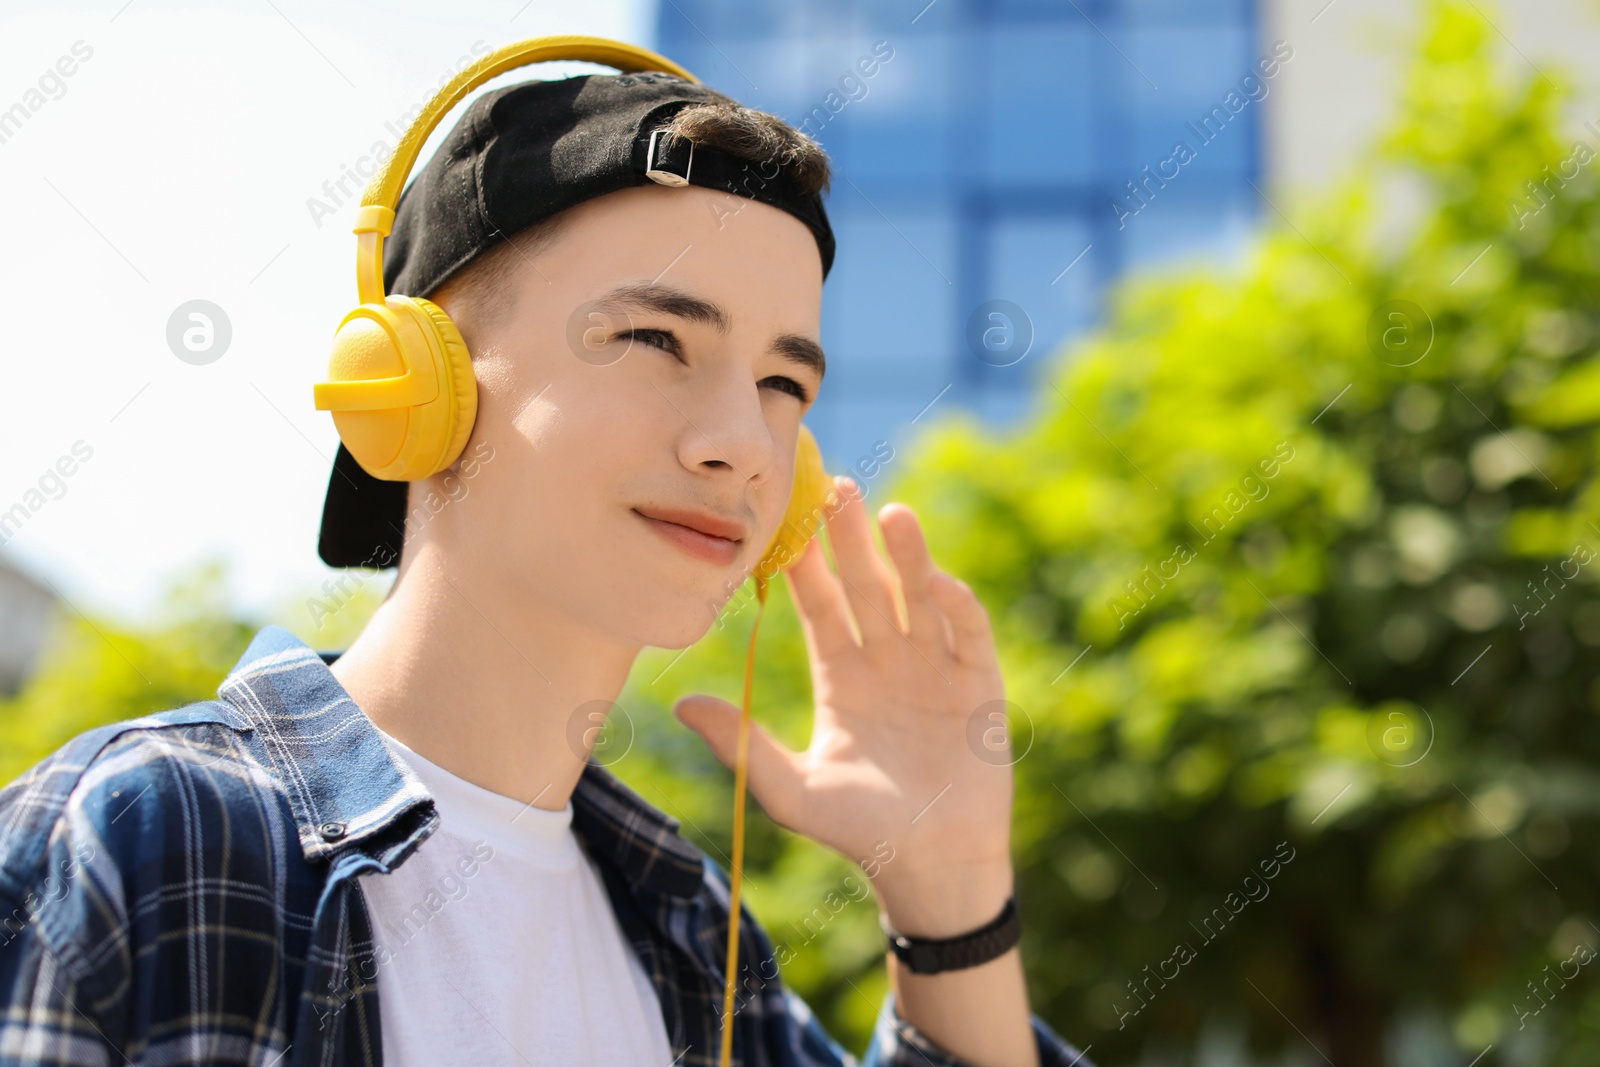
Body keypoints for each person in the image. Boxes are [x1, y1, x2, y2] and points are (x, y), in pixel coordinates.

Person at [0, 39, 1094, 1067]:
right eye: (654, 338)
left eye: (781, 384)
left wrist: (949, 894)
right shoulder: (141, 837)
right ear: (414, 384)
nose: (739, 446)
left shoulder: (689, 934)